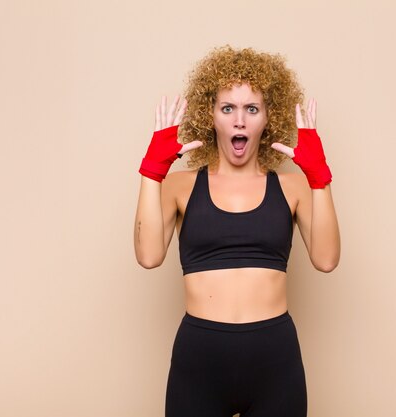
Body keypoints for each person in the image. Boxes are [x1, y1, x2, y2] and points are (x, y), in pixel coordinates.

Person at [134, 46, 340, 417]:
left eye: (251, 109)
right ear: (210, 116)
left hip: (275, 361)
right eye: (228, 108)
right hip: (198, 360)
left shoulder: (293, 189)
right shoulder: (179, 186)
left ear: (267, 118)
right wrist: (152, 172)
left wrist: (318, 178)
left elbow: (326, 260)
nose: (239, 121)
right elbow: (148, 256)